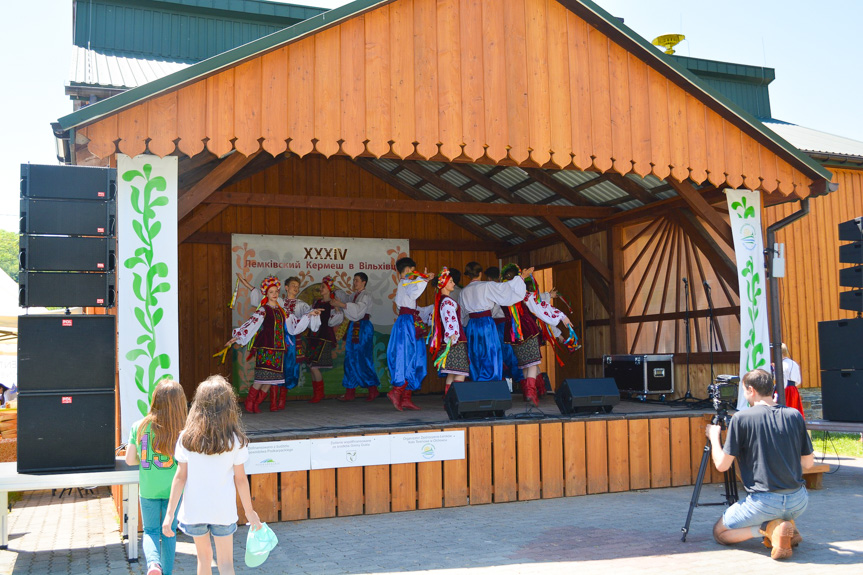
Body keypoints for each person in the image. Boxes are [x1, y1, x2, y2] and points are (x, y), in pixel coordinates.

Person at [706, 368, 814, 561]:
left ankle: (767, 529)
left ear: (751, 390)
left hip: (764, 503)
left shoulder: (741, 418)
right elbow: (808, 463)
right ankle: (786, 524)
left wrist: (714, 438)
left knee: (719, 533)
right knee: (781, 509)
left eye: (744, 391)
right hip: (799, 501)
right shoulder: (794, 415)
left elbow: (722, 465)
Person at [162, 375, 263, 575]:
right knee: (226, 564)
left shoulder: (186, 438)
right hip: (223, 511)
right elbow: (241, 479)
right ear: (229, 406)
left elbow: (180, 477)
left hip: (195, 510)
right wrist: (250, 513)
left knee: (204, 559)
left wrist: (170, 514)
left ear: (198, 404)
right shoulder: (235, 440)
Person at [227, 276, 319, 413]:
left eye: (276, 291)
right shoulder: (264, 310)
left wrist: (309, 315)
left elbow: (294, 325)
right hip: (266, 348)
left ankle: (257, 403)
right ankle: (249, 402)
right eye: (271, 292)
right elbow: (252, 323)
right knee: (261, 378)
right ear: (267, 294)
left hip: (278, 349)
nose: (275, 294)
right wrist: (237, 336)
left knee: (272, 380)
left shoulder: (283, 312)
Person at [125, 379, 188, 575]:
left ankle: (153, 564)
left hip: (148, 489)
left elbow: (129, 460)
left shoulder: (139, 426)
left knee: (151, 531)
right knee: (169, 532)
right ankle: (166, 572)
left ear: (154, 399)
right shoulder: (183, 430)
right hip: (174, 490)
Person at [500, 264, 572, 406]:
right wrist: (562, 317)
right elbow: (541, 306)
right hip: (527, 330)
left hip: (512, 334)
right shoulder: (524, 294)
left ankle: (528, 392)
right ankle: (531, 393)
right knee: (532, 364)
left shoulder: (501, 295)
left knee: (525, 364)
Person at [459, 261, 531, 382]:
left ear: (468, 275)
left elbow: (462, 314)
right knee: (491, 351)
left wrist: (464, 326)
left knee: (475, 353)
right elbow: (505, 288)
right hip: (486, 322)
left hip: (472, 324)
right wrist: (521, 277)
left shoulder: (463, 291)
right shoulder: (487, 285)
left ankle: (477, 380)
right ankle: (492, 381)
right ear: (480, 273)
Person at [386, 257, 433, 411]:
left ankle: (406, 397)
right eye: (414, 270)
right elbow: (414, 293)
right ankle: (397, 392)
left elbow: (414, 295)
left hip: (411, 321)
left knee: (416, 357)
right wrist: (423, 279)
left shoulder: (408, 282)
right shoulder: (405, 282)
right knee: (405, 357)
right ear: (408, 269)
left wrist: (422, 279)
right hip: (406, 324)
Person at [331, 272, 381, 402]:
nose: (354, 283)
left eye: (357, 280)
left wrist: (342, 305)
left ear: (364, 282)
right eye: (354, 280)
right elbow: (345, 298)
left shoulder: (366, 296)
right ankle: (350, 391)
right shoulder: (354, 295)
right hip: (353, 327)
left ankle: (373, 389)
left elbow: (359, 309)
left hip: (363, 328)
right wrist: (335, 290)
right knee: (350, 358)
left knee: (363, 357)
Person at [427, 267, 470, 396]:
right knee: (461, 371)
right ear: (444, 284)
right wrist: (453, 335)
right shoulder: (447, 302)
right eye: (451, 281)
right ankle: (456, 399)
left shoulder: (442, 300)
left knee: (452, 372)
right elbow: (450, 319)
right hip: (454, 340)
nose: (454, 284)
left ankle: (449, 399)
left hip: (451, 340)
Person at [484, 266, 524, 392]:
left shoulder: (491, 290)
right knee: (511, 354)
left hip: (498, 325)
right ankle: (520, 384)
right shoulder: (506, 288)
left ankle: (508, 386)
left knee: (501, 354)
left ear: (489, 278)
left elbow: (492, 309)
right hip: (510, 324)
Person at [305, 276, 345, 403]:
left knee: (314, 366)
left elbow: (335, 321)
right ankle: (316, 393)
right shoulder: (316, 302)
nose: (321, 289)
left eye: (323, 287)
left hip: (324, 336)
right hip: (313, 336)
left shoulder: (332, 304)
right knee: (311, 365)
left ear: (329, 289)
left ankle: (319, 393)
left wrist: (337, 308)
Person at [779, 343, 805, 418]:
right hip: (794, 389)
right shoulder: (794, 363)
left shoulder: (781, 364)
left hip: (784, 390)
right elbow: (798, 380)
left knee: (785, 411)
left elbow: (782, 378)